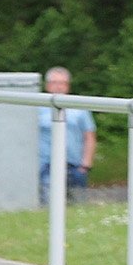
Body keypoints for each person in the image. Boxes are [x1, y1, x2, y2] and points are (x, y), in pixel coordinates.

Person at [39, 67, 96, 203]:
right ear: (47, 85)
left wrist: (86, 165)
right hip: (46, 165)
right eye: (55, 82)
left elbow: (89, 137)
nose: (59, 86)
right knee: (50, 202)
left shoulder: (79, 108)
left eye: (63, 83)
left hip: (74, 165)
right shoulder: (37, 108)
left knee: (78, 204)